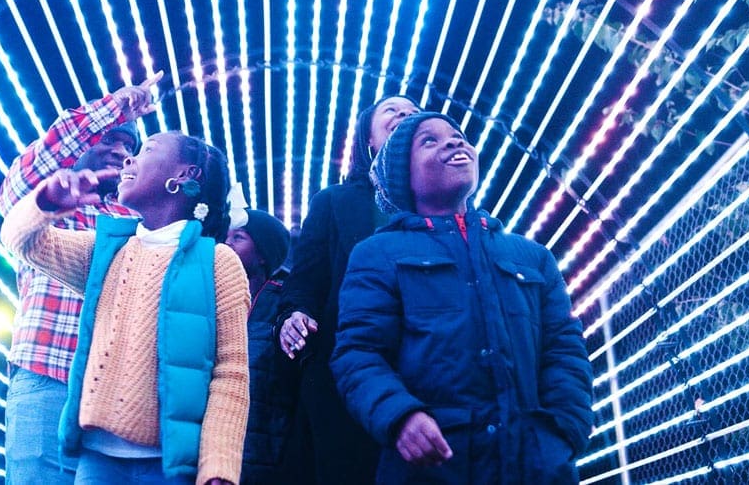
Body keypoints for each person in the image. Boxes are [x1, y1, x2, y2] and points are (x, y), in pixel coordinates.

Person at [330, 112, 593, 484]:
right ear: (404, 176)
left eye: (458, 136)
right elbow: (358, 354)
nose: (454, 142)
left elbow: (565, 350)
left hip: (535, 468)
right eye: (429, 141)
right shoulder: (377, 254)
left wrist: (562, 435)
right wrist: (401, 417)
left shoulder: (532, 257)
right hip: (433, 471)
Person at [0, 124, 250, 485]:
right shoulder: (108, 248)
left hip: (168, 467)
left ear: (184, 175)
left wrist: (219, 470)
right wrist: (47, 203)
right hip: (97, 461)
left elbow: (230, 373)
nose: (129, 156)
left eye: (147, 149)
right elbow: (21, 243)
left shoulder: (218, 263)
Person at [0, 75, 157, 484]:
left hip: (118, 396)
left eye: (129, 148)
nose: (121, 151)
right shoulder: (44, 197)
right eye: (110, 140)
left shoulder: (137, 222)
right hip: (49, 377)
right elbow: (34, 169)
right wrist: (115, 107)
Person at [275, 96, 421, 485]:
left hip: (426, 375)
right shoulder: (335, 202)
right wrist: (293, 317)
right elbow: (305, 281)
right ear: (368, 140)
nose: (405, 115)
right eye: (392, 111)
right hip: (344, 380)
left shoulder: (443, 210)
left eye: (413, 113)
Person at [224, 208, 298, 484]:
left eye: (239, 237)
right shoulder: (214, 298)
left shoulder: (284, 301)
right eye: (225, 236)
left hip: (265, 450)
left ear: (263, 253)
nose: (226, 243)